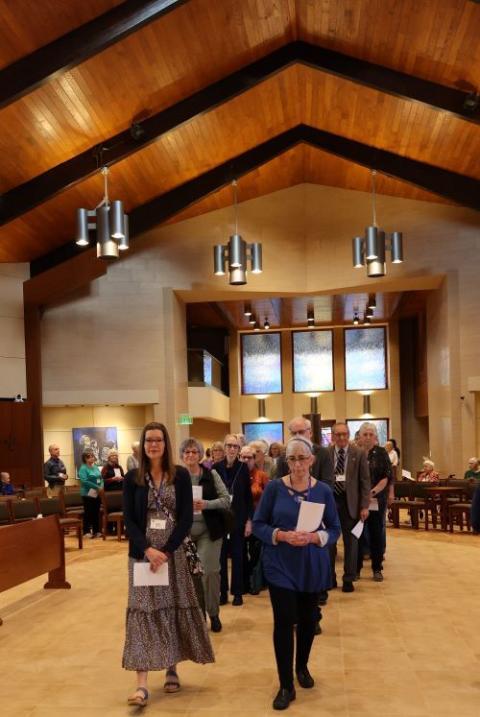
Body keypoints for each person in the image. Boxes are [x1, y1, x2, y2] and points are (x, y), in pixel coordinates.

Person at [122, 422, 214, 707]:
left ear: (166, 444)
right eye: (148, 440)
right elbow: (129, 519)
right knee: (144, 612)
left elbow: (186, 517)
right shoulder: (132, 478)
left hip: (172, 554)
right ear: (143, 443)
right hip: (142, 555)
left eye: (158, 440)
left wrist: (165, 550)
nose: (153, 445)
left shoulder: (181, 476)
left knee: (172, 607)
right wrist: (148, 549)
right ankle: (141, 685)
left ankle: (172, 667)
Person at [253, 437, 340, 711]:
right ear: (285, 462)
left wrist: (316, 538)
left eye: (303, 458)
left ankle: (302, 666)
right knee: (283, 621)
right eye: (292, 459)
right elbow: (258, 525)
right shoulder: (275, 488)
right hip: (280, 562)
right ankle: (285, 684)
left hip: (311, 564)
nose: (298, 464)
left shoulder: (324, 491)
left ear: (312, 460)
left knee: (307, 619)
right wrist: (281, 535)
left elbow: (335, 529)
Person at [180, 437, 230, 633]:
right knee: (192, 575)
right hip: (183, 533)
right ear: (182, 456)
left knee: (209, 571)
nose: (190, 455)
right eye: (187, 452)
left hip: (209, 530)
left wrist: (207, 504)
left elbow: (226, 500)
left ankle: (213, 612)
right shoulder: (176, 477)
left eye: (194, 451)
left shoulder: (211, 474)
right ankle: (198, 614)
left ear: (201, 455)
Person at [328, 422, 370, 593]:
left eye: (345, 434)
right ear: (332, 436)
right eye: (338, 434)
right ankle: (329, 577)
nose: (342, 437)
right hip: (330, 502)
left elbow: (365, 482)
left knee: (351, 542)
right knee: (329, 542)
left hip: (350, 503)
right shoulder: (326, 453)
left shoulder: (358, 453)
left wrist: (364, 506)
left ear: (349, 434)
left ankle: (348, 578)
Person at [213, 434, 253, 606]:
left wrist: (249, 521)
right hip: (220, 518)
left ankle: (237, 592)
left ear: (238, 449)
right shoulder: (215, 467)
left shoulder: (243, 468)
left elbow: (247, 497)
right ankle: (223, 593)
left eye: (235, 446)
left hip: (238, 518)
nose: (231, 449)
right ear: (224, 447)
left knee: (238, 557)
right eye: (228, 445)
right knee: (220, 559)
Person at [356, 422, 392, 582]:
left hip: (376, 499)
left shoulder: (381, 452)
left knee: (376, 533)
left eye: (371, 434)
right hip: (357, 501)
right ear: (360, 437)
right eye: (365, 434)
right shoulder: (354, 453)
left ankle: (377, 567)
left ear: (375, 437)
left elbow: (386, 477)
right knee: (357, 534)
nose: (368, 437)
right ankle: (355, 568)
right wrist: (361, 496)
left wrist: (371, 493)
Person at [240, 444, 269, 594]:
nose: (245, 460)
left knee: (256, 552)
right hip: (240, 519)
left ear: (254, 459)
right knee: (241, 554)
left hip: (257, 519)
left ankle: (256, 582)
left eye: (249, 457)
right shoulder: (236, 475)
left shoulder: (262, 475)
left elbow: (268, 500)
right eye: (242, 457)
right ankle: (245, 583)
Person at [275, 417, 334, 488]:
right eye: (294, 433)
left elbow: (328, 481)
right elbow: (279, 483)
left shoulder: (323, 453)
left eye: (301, 432)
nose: (297, 436)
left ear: (310, 433)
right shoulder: (284, 455)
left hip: (316, 497)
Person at [78, 450, 103, 538]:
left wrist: (101, 486)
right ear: (85, 458)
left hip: (96, 493)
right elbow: (84, 481)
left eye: (93, 456)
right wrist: (97, 487)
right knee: (88, 512)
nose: (93, 458)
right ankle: (86, 531)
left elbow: (100, 478)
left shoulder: (95, 466)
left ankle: (97, 531)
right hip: (87, 493)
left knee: (96, 512)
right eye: (90, 456)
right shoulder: (83, 468)